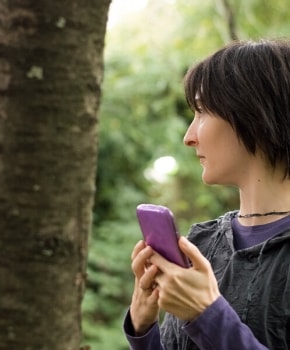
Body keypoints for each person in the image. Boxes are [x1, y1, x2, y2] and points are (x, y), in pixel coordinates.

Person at [124, 39, 290, 349]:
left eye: (201, 112)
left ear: (254, 114)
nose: (189, 137)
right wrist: (143, 326)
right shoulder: (201, 243)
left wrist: (206, 315)